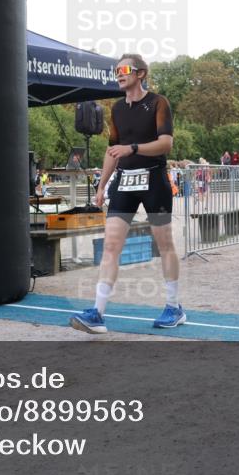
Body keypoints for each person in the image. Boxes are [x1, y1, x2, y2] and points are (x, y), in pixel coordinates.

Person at [70, 54, 181, 334]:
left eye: (124, 69)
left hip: (154, 179)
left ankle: (174, 306)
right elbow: (113, 150)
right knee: (111, 245)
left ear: (140, 73)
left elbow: (166, 143)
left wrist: (133, 148)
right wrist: (101, 185)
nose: (118, 74)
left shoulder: (158, 103)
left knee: (164, 244)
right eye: (115, 70)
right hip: (125, 182)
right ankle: (97, 312)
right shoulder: (117, 109)